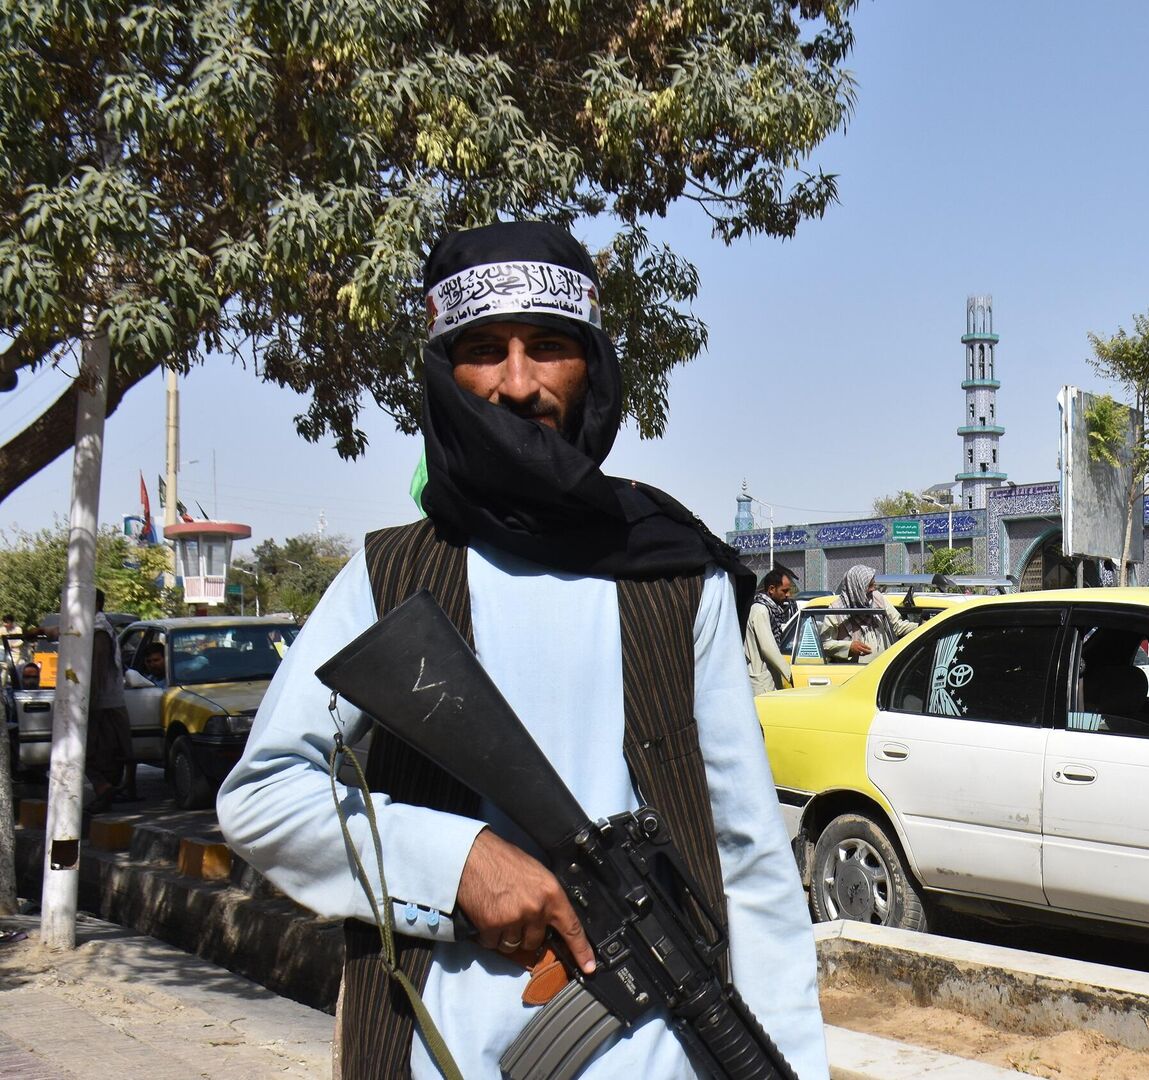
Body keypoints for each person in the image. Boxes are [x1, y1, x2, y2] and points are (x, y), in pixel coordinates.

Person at [216, 221, 827, 1080]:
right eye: (483, 349)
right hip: (438, 1052)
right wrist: (458, 863)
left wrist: (791, 1058)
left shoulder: (672, 568)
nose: (516, 382)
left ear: (592, 368)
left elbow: (750, 854)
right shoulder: (391, 574)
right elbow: (263, 797)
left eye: (547, 347)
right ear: (445, 373)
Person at [85, 589, 133, 806]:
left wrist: (91, 702)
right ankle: (116, 789)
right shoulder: (93, 626)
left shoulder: (99, 629)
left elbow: (98, 669)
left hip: (103, 701)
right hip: (108, 700)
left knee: (92, 752)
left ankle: (105, 789)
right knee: (114, 751)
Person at [819, 565, 914, 663]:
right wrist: (849, 647)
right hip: (853, 672)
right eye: (869, 585)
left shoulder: (878, 599)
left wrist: (923, 625)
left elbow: (898, 626)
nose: (873, 589)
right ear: (857, 587)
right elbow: (824, 644)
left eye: (874, 584)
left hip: (884, 668)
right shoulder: (836, 610)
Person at [744, 567, 796, 695]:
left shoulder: (771, 610)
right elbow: (768, 647)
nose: (788, 595)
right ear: (771, 589)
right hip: (761, 681)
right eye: (784, 590)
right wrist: (790, 674)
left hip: (769, 677)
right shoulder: (760, 610)